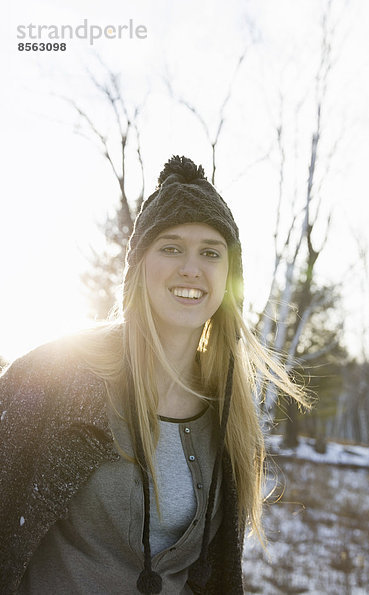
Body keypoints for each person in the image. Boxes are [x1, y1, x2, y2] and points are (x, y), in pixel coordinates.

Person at [0, 155, 306, 594]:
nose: (191, 268)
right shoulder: (58, 376)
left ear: (228, 277)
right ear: (140, 265)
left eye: (210, 253)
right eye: (171, 247)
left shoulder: (229, 411)